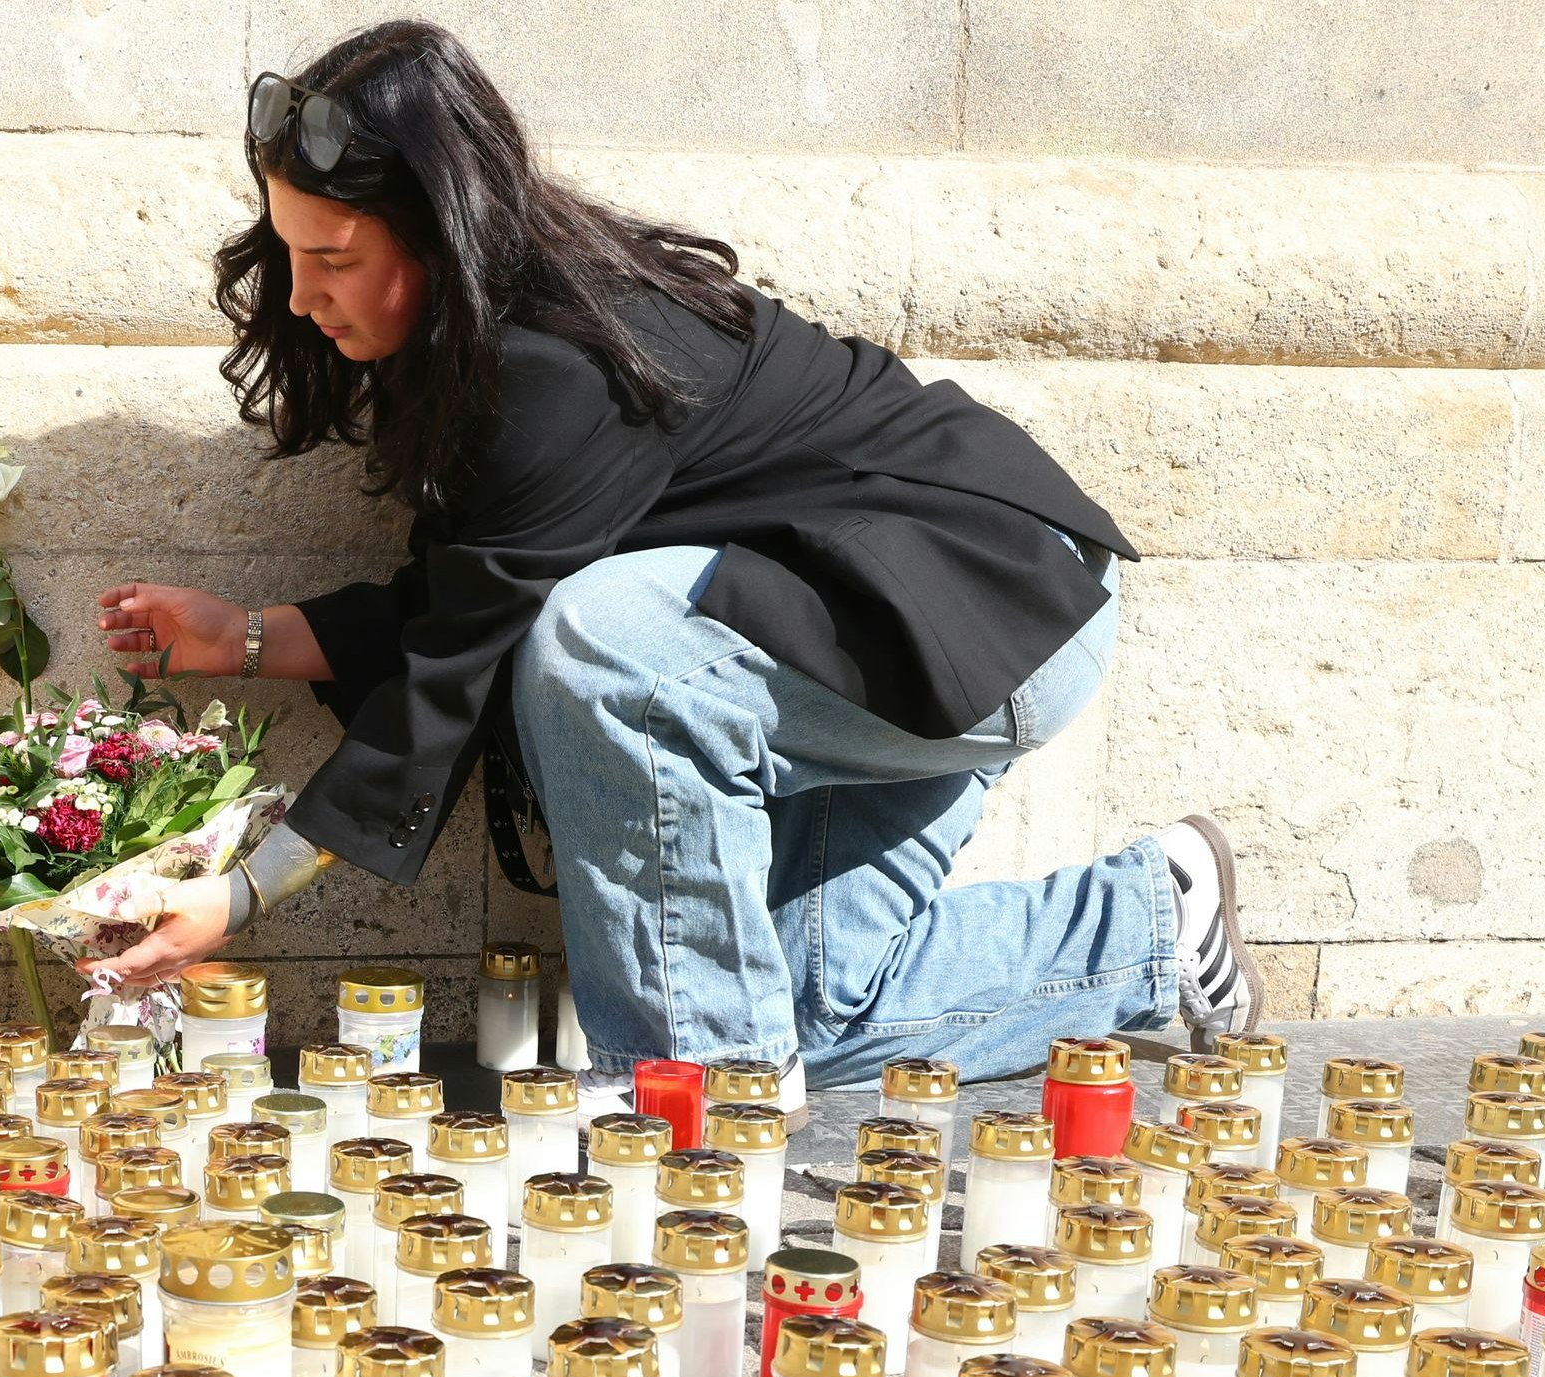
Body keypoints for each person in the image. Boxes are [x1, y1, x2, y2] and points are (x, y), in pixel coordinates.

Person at [94, 21, 1259, 1090]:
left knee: (606, 643)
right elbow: (468, 601)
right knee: (806, 1003)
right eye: (290, 251)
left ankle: (688, 1101)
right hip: (823, 635)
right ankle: (1152, 921)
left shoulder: (555, 365)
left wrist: (241, 893)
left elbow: (472, 657)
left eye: (334, 257)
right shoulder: (480, 345)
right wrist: (244, 640)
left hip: (982, 606)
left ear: (440, 229)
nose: (300, 298)